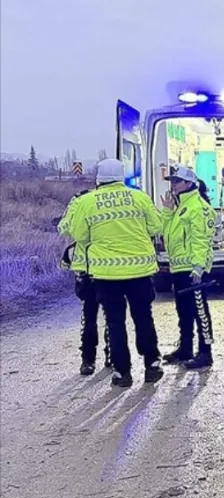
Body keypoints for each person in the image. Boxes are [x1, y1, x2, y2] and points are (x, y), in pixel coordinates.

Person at [69, 159, 164, 388]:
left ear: (99, 178)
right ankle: (152, 364)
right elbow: (156, 227)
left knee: (115, 322)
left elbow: (79, 235)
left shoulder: (87, 202)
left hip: (107, 274)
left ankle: (123, 373)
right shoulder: (139, 197)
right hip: (140, 270)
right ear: (122, 176)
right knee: (143, 317)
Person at [57, 188, 127, 375]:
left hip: (94, 269)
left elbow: (63, 229)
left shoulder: (81, 201)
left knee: (95, 317)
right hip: (102, 269)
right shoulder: (108, 201)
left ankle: (91, 360)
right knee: (105, 317)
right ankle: (103, 357)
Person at [160, 167, 216, 369]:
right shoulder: (180, 207)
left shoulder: (198, 207)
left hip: (193, 268)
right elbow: (164, 232)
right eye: (172, 181)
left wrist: (198, 268)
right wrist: (167, 211)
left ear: (190, 184)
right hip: (179, 268)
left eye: (177, 181)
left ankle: (205, 352)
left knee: (200, 311)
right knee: (183, 310)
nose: (173, 185)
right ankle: (185, 349)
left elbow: (200, 240)